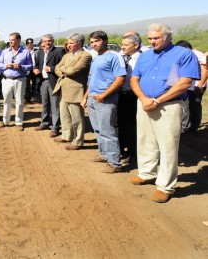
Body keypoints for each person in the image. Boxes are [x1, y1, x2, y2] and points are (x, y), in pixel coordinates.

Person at [128, 23, 200, 203]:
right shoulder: (145, 57)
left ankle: (165, 186)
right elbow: (134, 79)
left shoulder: (184, 54)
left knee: (167, 146)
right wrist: (144, 99)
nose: (152, 42)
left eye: (156, 38)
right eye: (150, 38)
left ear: (168, 37)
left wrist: (158, 101)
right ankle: (146, 173)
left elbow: (184, 83)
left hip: (169, 105)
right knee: (145, 140)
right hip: (144, 103)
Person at [81, 31, 126, 173]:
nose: (94, 44)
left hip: (106, 99)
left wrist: (103, 95)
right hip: (93, 98)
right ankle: (104, 154)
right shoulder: (96, 57)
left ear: (105, 41)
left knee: (108, 130)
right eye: (92, 42)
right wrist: (85, 97)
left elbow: (120, 79)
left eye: (97, 41)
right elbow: (91, 79)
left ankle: (114, 163)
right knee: (98, 129)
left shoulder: (114, 56)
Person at [53, 33, 92, 147]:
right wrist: (64, 69)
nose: (68, 45)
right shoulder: (66, 55)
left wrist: (63, 69)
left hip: (75, 91)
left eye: (71, 43)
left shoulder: (85, 55)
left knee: (77, 118)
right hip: (63, 89)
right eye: (68, 43)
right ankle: (66, 136)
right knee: (64, 115)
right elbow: (56, 68)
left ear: (79, 44)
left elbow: (73, 71)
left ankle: (78, 141)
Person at [0, 32, 33, 130]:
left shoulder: (25, 52)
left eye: (12, 40)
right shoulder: (5, 52)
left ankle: (19, 122)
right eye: (10, 40)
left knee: (19, 102)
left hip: (20, 80)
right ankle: (5, 121)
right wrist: (5, 66)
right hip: (7, 80)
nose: (10, 42)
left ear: (18, 40)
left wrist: (21, 66)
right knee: (6, 101)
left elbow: (30, 65)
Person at [32, 34, 65, 137]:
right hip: (43, 81)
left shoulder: (59, 51)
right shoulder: (40, 53)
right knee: (45, 104)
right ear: (42, 43)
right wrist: (35, 69)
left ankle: (55, 128)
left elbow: (63, 65)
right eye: (45, 41)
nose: (47, 43)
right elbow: (37, 65)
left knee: (55, 105)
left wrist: (51, 68)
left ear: (53, 41)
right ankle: (45, 123)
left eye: (49, 41)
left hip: (54, 81)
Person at [117, 33, 143, 163]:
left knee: (133, 125)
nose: (123, 47)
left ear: (136, 45)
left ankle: (133, 154)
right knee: (120, 124)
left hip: (134, 96)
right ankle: (120, 150)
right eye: (122, 45)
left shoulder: (142, 58)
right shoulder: (121, 57)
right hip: (121, 95)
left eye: (126, 45)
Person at [174, 40, 207, 134]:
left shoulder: (199, 55)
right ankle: (187, 126)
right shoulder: (183, 54)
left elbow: (204, 71)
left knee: (195, 105)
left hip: (197, 85)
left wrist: (199, 86)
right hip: (188, 85)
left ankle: (194, 127)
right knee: (187, 105)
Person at [24, 38, 37, 102]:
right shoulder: (24, 51)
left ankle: (33, 96)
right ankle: (27, 98)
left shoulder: (37, 51)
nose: (30, 44)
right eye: (28, 43)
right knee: (27, 85)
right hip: (27, 70)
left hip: (35, 69)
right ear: (26, 44)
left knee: (35, 84)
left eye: (31, 42)